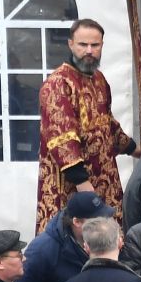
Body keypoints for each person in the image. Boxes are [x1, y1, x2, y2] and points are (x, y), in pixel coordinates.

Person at [35, 19, 130, 234]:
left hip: (104, 177)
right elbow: (62, 138)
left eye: (95, 45)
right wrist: (82, 184)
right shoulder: (58, 84)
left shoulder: (99, 79)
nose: (89, 51)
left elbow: (107, 123)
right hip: (72, 184)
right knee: (73, 237)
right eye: (83, 45)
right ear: (70, 44)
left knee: (107, 237)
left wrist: (135, 149)